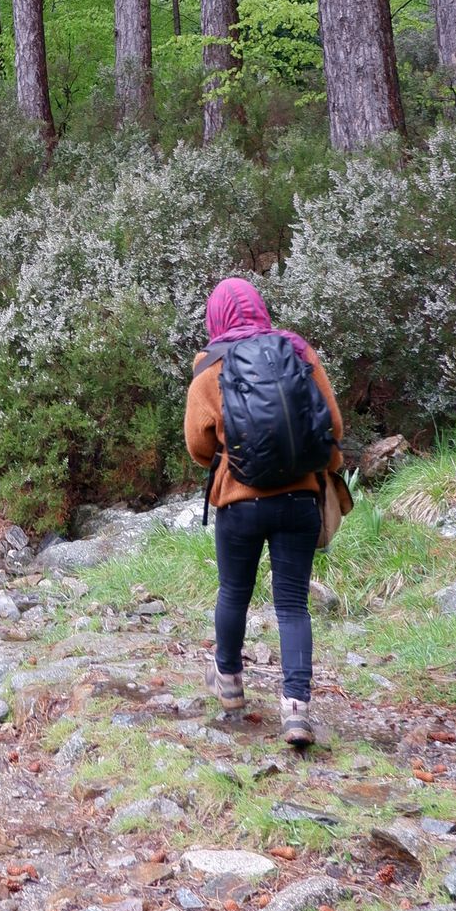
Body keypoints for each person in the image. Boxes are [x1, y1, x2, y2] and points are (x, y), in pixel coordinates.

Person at [185, 277, 344, 749]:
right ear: (261, 309)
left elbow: (198, 445)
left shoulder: (209, 366)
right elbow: (332, 425)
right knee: (292, 603)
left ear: (215, 318)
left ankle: (230, 684)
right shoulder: (298, 351)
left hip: (240, 502)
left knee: (234, 591)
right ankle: (296, 710)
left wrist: (233, 454)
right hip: (300, 501)